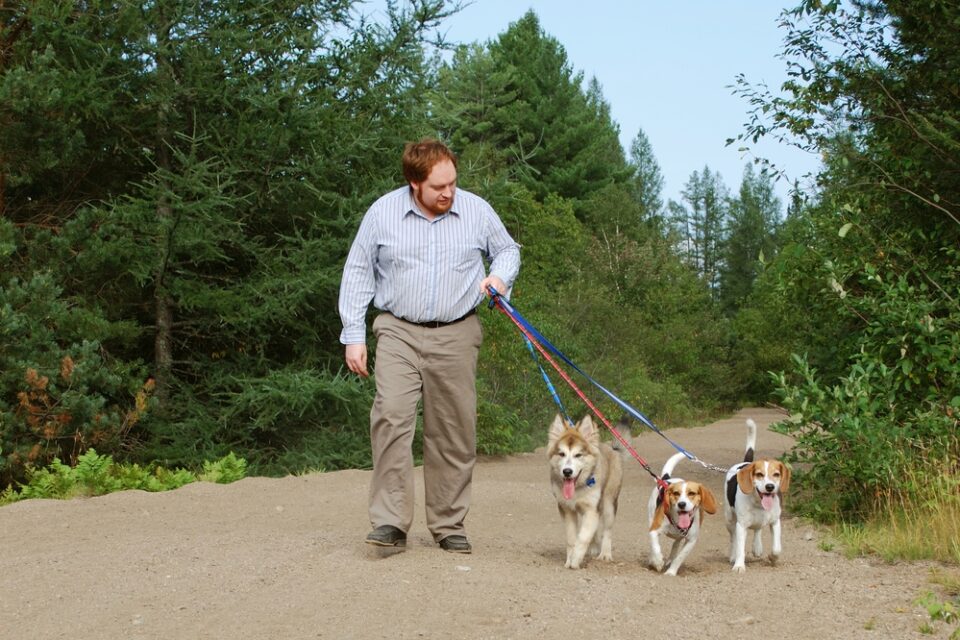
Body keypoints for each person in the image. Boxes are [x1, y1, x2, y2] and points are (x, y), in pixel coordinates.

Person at [338, 138, 521, 554]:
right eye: (439, 186)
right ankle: (389, 523)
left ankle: (448, 523)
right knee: (391, 418)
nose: (449, 193)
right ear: (413, 183)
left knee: (454, 429)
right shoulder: (382, 213)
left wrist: (500, 278)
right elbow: (357, 271)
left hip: (457, 331)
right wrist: (353, 334)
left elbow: (507, 249)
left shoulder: (475, 210)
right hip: (397, 330)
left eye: (453, 183)